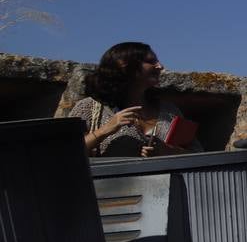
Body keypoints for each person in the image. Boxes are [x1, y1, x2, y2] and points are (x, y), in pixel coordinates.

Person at [68, 42, 203, 157]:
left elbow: (198, 154)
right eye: (151, 61)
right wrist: (106, 129)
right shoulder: (89, 108)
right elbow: (65, 152)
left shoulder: (169, 110)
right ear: (124, 65)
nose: (160, 66)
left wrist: (167, 151)